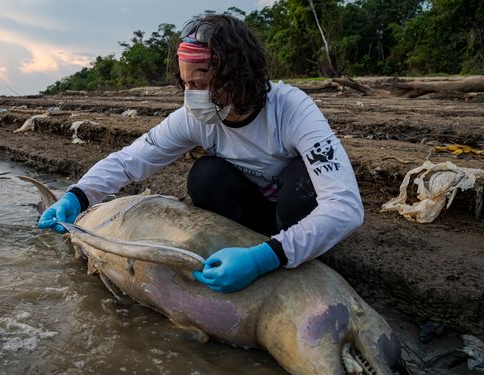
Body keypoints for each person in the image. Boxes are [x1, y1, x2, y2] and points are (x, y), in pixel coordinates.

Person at [38, 14, 364, 293]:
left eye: (203, 83)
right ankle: (250, 249)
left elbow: (345, 207)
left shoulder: (292, 110)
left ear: (240, 75)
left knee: (302, 179)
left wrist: (265, 257)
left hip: (294, 210)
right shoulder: (196, 118)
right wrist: (78, 196)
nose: (194, 96)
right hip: (254, 214)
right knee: (205, 176)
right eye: (186, 85)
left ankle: (291, 253)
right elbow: (131, 160)